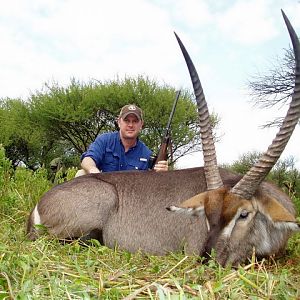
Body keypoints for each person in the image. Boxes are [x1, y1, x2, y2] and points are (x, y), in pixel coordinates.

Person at [76, 104, 168, 176]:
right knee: (81, 174)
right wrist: (93, 170)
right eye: (127, 120)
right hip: (104, 193)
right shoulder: (104, 140)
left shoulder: (146, 153)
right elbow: (87, 160)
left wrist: (161, 172)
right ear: (119, 122)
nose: (130, 125)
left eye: (135, 121)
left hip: (130, 195)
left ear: (141, 125)